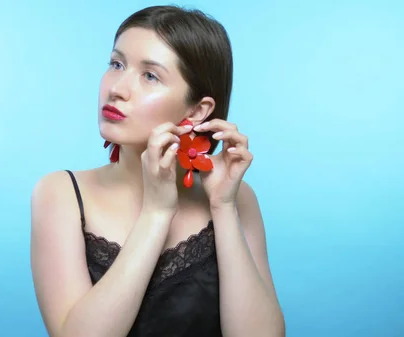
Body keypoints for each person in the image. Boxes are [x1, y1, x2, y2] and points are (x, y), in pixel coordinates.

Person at [30, 5, 285, 337]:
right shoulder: (59, 193)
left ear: (197, 111)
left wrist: (222, 207)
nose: (117, 88)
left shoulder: (238, 198)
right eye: (116, 64)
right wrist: (156, 212)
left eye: (149, 75)